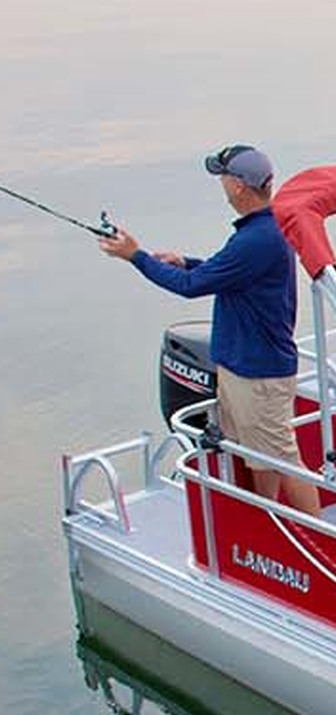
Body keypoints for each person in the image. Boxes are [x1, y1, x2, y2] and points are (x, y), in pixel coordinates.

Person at [100, 144, 321, 517]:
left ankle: (320, 535)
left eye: (223, 176)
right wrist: (186, 261)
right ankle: (267, 518)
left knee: (284, 459)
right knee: (258, 455)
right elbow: (227, 273)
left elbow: (191, 287)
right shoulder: (265, 229)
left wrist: (135, 256)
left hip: (259, 375)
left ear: (238, 185)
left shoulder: (255, 239)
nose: (221, 184)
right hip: (244, 368)